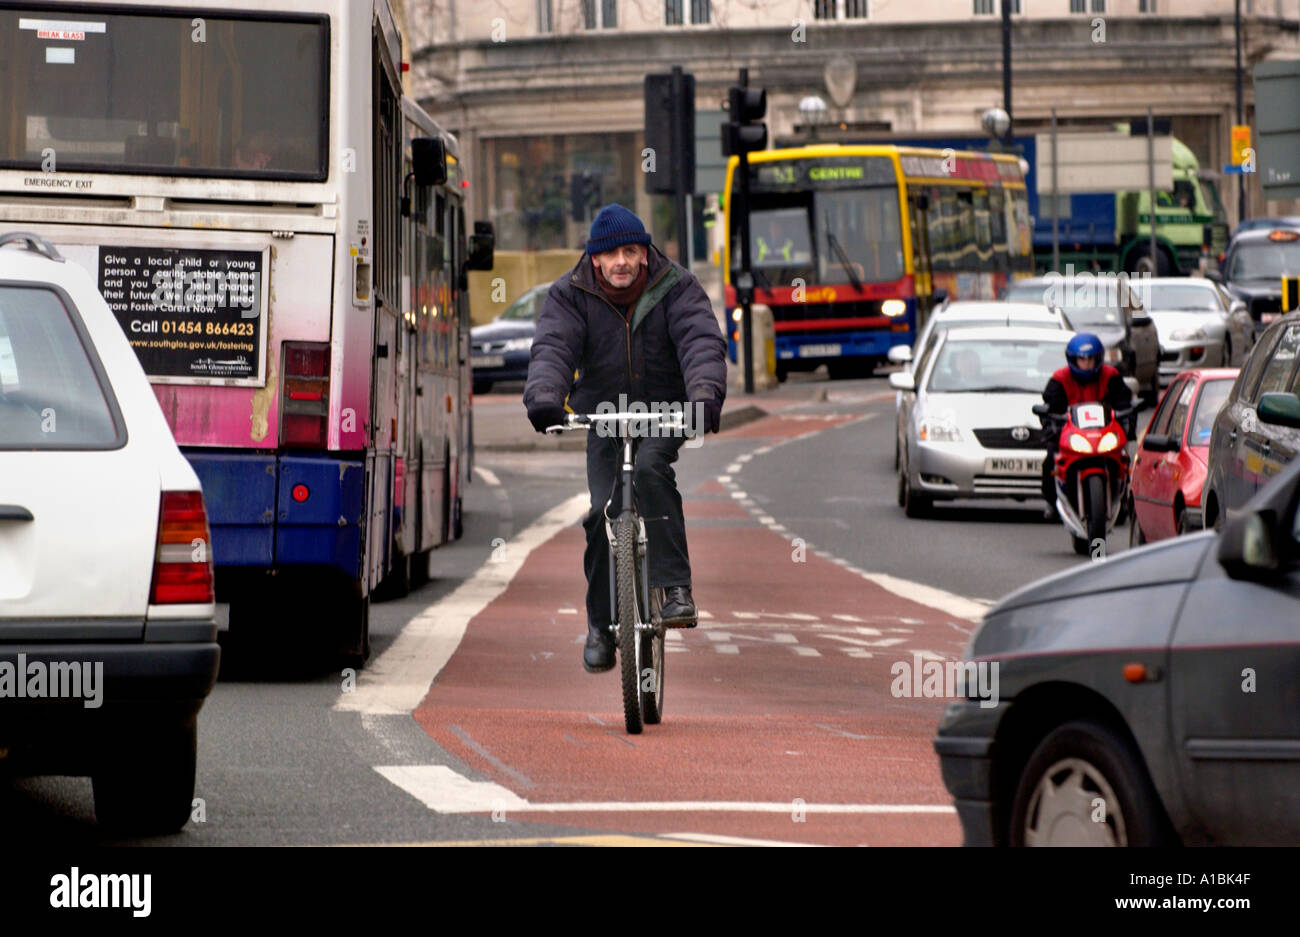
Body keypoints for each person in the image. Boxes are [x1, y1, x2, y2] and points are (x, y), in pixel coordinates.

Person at [524, 204, 727, 673]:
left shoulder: (676, 287)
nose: (621, 262)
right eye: (611, 253)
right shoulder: (570, 294)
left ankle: (676, 589)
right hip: (604, 416)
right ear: (594, 259)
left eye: (630, 251)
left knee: (653, 471)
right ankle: (599, 625)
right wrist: (546, 399)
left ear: (644, 252)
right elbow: (554, 347)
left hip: (662, 412)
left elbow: (701, 342)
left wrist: (702, 397)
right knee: (600, 514)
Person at [1039, 332, 1132, 520]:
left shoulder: (1111, 376)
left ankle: (1121, 498)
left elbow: (1124, 404)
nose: (1086, 364)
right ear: (1072, 360)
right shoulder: (1060, 378)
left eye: (1090, 359)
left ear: (1098, 358)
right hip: (1072, 434)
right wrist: (1052, 427)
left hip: (1104, 433)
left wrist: (1126, 424)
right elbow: (1050, 408)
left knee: (1123, 458)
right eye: (1082, 359)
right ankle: (1051, 500)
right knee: (1051, 458)